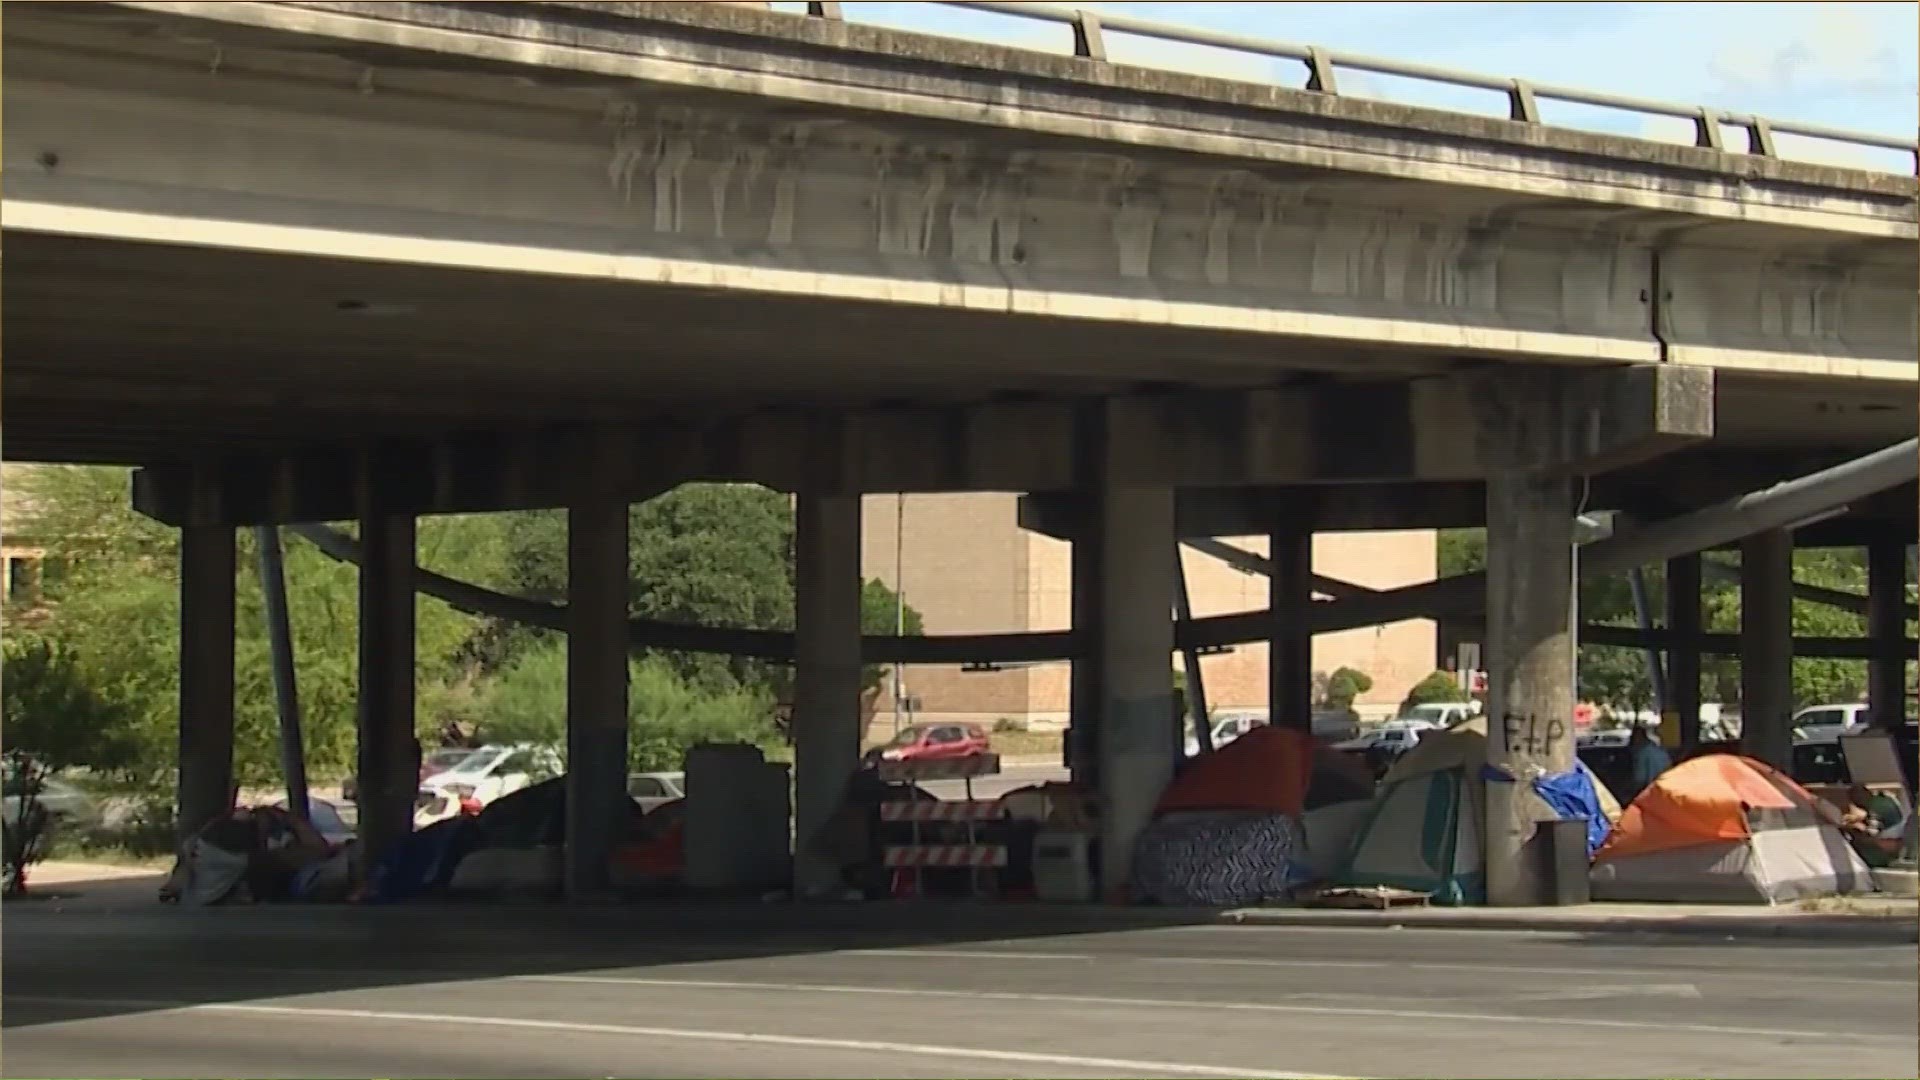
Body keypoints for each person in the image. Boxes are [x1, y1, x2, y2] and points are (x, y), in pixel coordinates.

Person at [1840, 783, 1908, 868]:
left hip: (1883, 856)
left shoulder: (1875, 808)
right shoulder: (1883, 800)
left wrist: (1852, 830)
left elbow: (1871, 833)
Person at [1625, 725, 1671, 802]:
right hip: (1665, 786)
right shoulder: (1660, 750)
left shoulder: (1642, 753)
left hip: (1651, 789)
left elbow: (1640, 778)